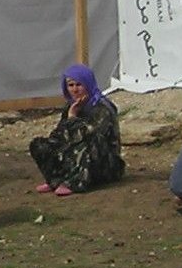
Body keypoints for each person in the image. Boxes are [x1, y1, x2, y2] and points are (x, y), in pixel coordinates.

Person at [28, 63, 123, 196]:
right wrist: (68, 119)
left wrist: (73, 118)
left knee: (85, 141)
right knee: (40, 145)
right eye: (70, 85)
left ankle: (76, 183)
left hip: (105, 163)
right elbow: (59, 136)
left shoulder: (102, 108)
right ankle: (55, 180)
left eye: (79, 85)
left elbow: (90, 134)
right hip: (79, 159)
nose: (74, 89)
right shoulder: (71, 106)